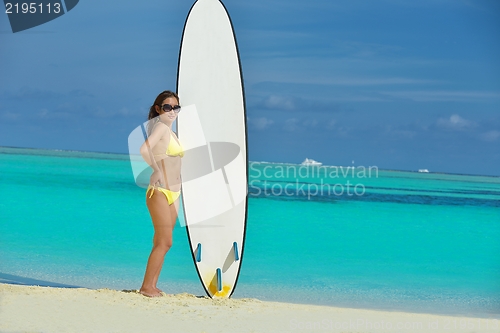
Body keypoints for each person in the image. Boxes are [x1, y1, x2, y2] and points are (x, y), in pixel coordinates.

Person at [139, 90, 183, 297]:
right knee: (166, 241)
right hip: (160, 192)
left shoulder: (171, 132)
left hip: (174, 193)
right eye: (168, 107)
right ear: (158, 109)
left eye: (176, 107)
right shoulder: (161, 127)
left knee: (161, 242)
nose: (172, 111)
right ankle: (146, 286)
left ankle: (152, 285)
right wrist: (156, 170)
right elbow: (144, 149)